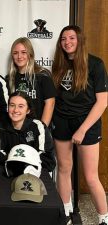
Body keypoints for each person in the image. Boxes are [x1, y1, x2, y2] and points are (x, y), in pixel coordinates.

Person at [52, 25, 108, 225]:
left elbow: (102, 102)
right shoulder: (58, 65)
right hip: (62, 122)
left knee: (91, 176)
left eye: (72, 38)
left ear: (80, 40)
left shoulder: (95, 64)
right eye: (63, 39)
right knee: (64, 169)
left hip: (87, 123)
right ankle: (65, 214)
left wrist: (83, 129)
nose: (67, 42)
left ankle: (103, 219)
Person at [0, 91, 56, 172]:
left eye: (21, 106)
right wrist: (18, 161)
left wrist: (21, 160)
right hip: (7, 172)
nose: (15, 110)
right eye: (12, 105)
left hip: (35, 173)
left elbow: (48, 160)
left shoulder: (38, 127)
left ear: (28, 110)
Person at [6, 37, 56, 126]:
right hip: (16, 130)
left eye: (23, 52)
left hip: (37, 129)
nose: (19, 56)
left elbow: (50, 104)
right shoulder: (9, 79)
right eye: (15, 53)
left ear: (30, 54)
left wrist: (42, 130)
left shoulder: (42, 75)